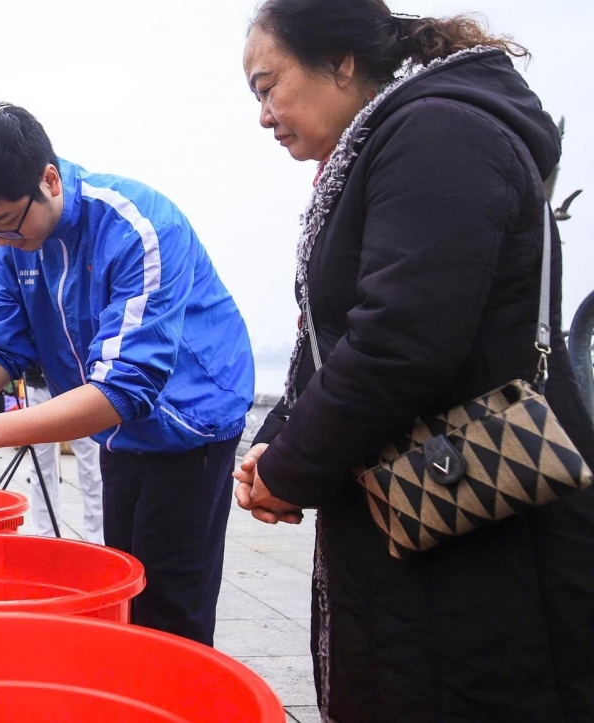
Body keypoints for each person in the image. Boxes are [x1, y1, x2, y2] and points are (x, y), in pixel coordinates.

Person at [236, 2, 594, 720]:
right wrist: (278, 433)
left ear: (340, 62)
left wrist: (288, 468)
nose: (265, 113)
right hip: (413, 507)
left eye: (269, 85)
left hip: (482, 521)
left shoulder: (440, 134)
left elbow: (401, 341)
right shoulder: (384, 146)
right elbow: (329, 336)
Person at [0, 103, 256, 645]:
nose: (1, 242)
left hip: (190, 422)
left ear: (49, 179)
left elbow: (124, 388)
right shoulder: (10, 244)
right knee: (125, 585)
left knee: (171, 606)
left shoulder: (136, 225)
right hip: (115, 432)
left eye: (8, 225)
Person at [22, 363, 103, 543]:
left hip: (77, 382)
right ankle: (46, 535)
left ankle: (97, 538)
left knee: (91, 465)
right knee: (41, 466)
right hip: (38, 381)